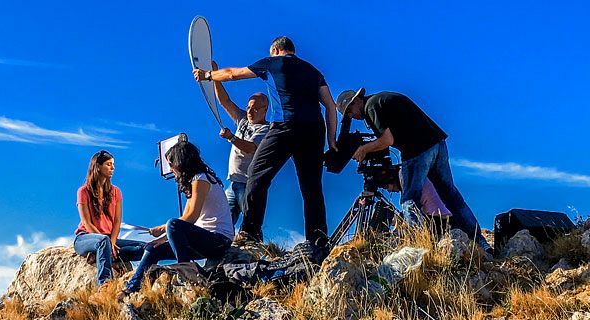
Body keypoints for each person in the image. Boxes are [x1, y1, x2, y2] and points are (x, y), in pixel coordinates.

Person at [193, 36, 338, 256]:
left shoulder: (273, 63)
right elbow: (330, 105)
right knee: (312, 189)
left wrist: (207, 75)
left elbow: (233, 74)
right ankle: (318, 239)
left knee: (257, 174)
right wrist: (331, 139)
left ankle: (251, 231)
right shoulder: (314, 71)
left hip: (285, 126)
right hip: (314, 131)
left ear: (275, 50)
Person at [336, 88, 492, 252]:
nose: (353, 117)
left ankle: (418, 248)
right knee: (450, 195)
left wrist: (364, 149)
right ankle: (481, 243)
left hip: (417, 150)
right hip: (436, 143)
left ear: (356, 101)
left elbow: (387, 140)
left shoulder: (372, 106)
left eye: (350, 112)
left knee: (409, 200)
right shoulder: (381, 99)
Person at [118, 141, 234, 298]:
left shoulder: (201, 179)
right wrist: (162, 238)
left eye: (172, 164)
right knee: (153, 248)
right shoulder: (193, 183)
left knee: (172, 223)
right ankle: (131, 288)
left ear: (181, 162)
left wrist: (164, 228)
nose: (172, 170)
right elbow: (183, 222)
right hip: (202, 240)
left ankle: (185, 271)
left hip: (218, 240)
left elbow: (190, 218)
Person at [210, 61, 270, 226]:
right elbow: (225, 102)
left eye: (255, 109)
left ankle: (256, 246)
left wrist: (231, 138)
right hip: (234, 182)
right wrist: (215, 76)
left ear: (265, 110)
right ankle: (226, 245)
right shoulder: (243, 119)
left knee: (250, 220)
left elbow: (251, 148)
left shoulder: (266, 129)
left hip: (248, 183)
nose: (250, 111)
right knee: (225, 222)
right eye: (249, 107)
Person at [74, 150, 146, 286]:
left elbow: (117, 221)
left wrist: (112, 244)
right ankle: (104, 284)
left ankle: (103, 255)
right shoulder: (83, 191)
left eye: (113, 164)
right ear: (98, 166)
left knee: (144, 248)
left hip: (109, 239)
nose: (113, 168)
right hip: (86, 237)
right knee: (103, 241)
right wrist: (107, 242)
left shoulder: (116, 192)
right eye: (108, 164)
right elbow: (86, 222)